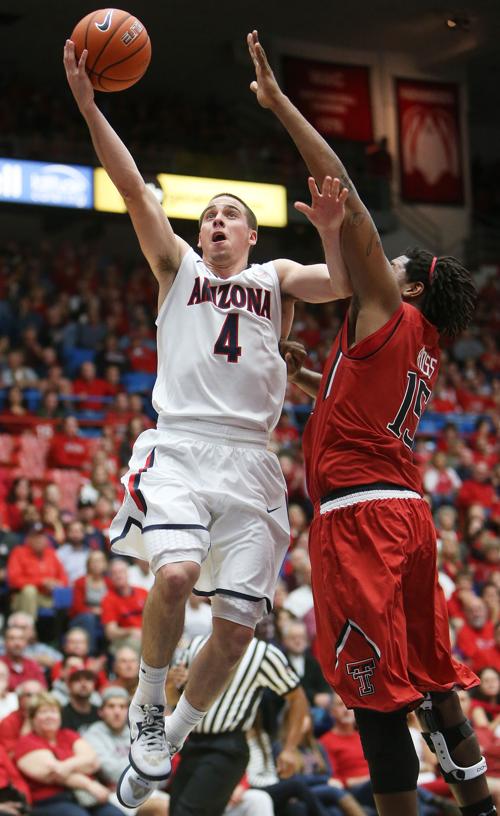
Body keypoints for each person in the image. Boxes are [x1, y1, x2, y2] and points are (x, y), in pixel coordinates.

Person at [63, 35, 351, 811]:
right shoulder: (178, 270)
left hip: (252, 462)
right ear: (200, 235)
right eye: (211, 217)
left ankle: (174, 735)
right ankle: (147, 703)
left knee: (235, 632)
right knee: (176, 575)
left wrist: (331, 228)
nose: (219, 223)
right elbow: (133, 188)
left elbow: (343, 281)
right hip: (184, 448)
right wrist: (90, 108)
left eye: (233, 217)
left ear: (252, 237)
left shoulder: (275, 278)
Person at [247, 29, 494, 816]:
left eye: (392, 265)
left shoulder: (388, 306)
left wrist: (281, 104)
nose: (377, 266)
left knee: (376, 695)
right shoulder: (420, 345)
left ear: (410, 287)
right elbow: (363, 413)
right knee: (433, 678)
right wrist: (311, 378)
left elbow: (346, 190)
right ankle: (479, 806)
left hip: (362, 521)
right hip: (406, 514)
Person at [166, 632, 309, 816]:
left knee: (187, 812)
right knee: (175, 810)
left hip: (227, 748)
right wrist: (172, 683)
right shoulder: (197, 644)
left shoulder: (263, 653)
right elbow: (172, 698)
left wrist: (289, 748)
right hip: (192, 742)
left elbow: (298, 698)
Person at [14, 692, 122, 816]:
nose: (49, 716)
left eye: (53, 711)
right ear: (32, 718)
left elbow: (93, 762)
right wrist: (89, 785)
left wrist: (64, 766)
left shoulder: (68, 734)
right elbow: (54, 774)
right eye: (43, 712)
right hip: (51, 800)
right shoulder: (27, 742)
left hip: (87, 797)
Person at [84, 686, 169, 816]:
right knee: (162, 808)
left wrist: (146, 768)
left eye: (122, 706)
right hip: (115, 793)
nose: (117, 712)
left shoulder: (137, 731)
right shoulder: (93, 734)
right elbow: (111, 772)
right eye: (111, 706)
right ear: (101, 711)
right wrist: (145, 765)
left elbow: (161, 774)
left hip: (148, 790)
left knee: (179, 805)